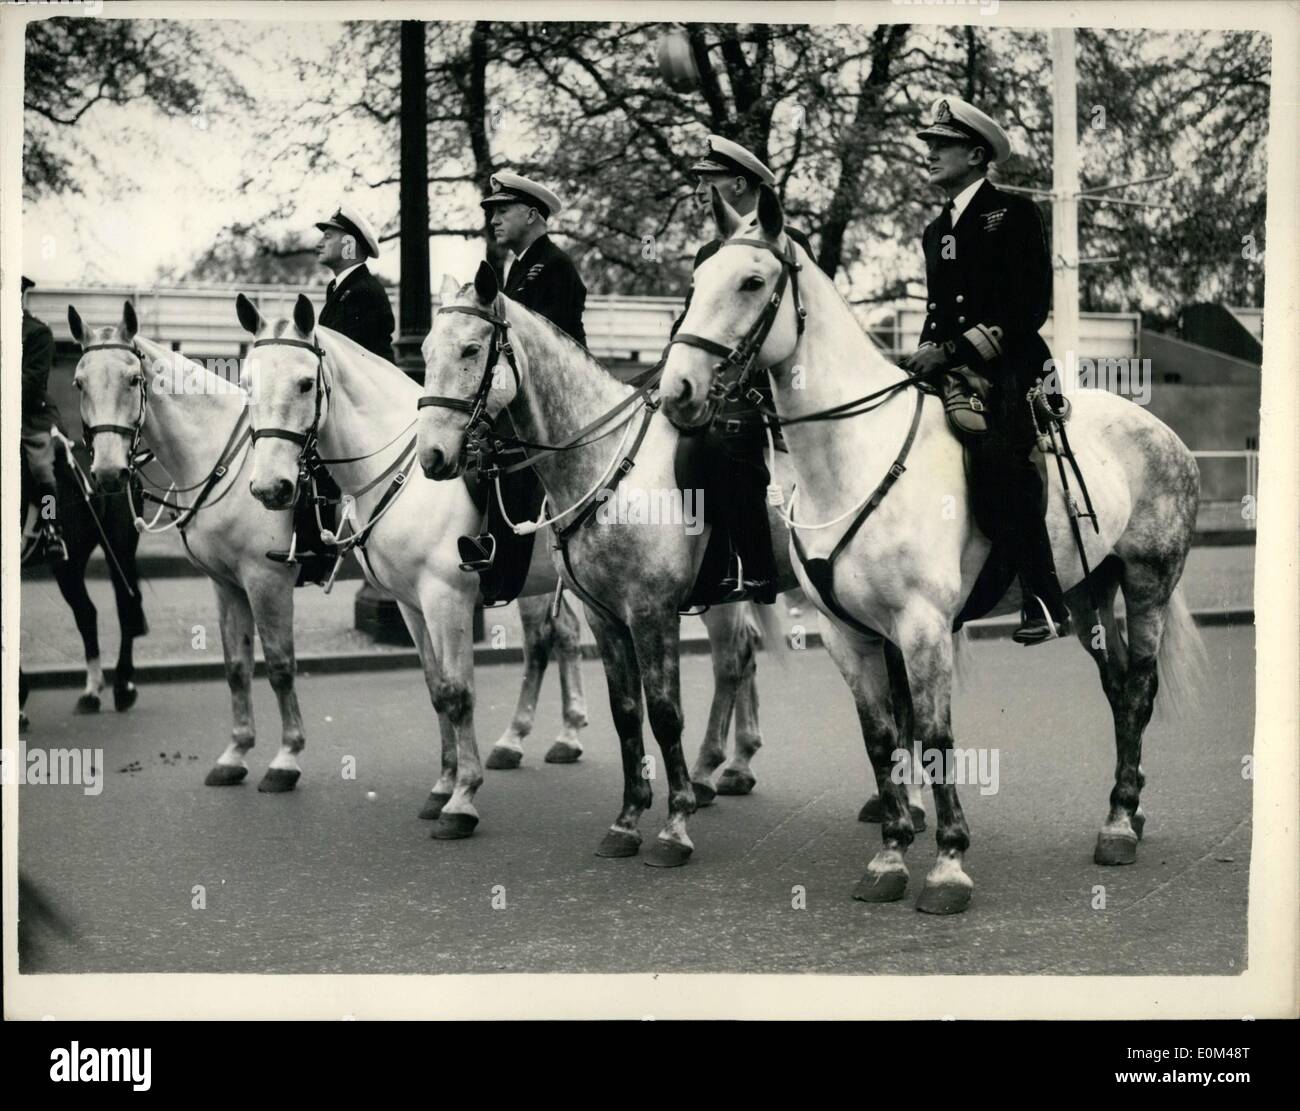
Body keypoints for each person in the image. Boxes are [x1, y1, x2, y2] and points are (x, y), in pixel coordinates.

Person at [901, 96, 1070, 645]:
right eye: (928, 143)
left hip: (1013, 365)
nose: (930, 153)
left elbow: (1028, 308)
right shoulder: (933, 229)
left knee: (998, 455)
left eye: (941, 145)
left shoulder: (1013, 214)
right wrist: (923, 357)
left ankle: (1044, 600)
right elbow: (939, 310)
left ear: (976, 154)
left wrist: (949, 352)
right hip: (951, 366)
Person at [670, 135, 820, 604]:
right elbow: (692, 321)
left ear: (738, 184)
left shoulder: (786, 244)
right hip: (719, 382)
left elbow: (805, 324)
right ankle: (709, 568)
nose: (698, 189)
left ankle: (758, 568)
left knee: (731, 438)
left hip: (771, 384)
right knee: (684, 451)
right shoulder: (709, 253)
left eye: (708, 180)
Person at [470, 172, 587, 603]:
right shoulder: (518, 268)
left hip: (554, 402)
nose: (494, 220)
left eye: (503, 211)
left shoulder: (552, 266)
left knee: (514, 467)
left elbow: (549, 351)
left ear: (532, 214)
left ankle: (503, 575)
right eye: (492, 212)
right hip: (526, 397)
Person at [314, 203, 396, 363]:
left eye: (328, 237)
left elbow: (341, 357)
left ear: (350, 245)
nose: (319, 243)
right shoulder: (341, 287)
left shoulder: (364, 291)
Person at [20, 276, 66, 561]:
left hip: (32, 417)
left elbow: (31, 382)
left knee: (41, 469)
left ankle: (51, 526)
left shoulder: (37, 333)